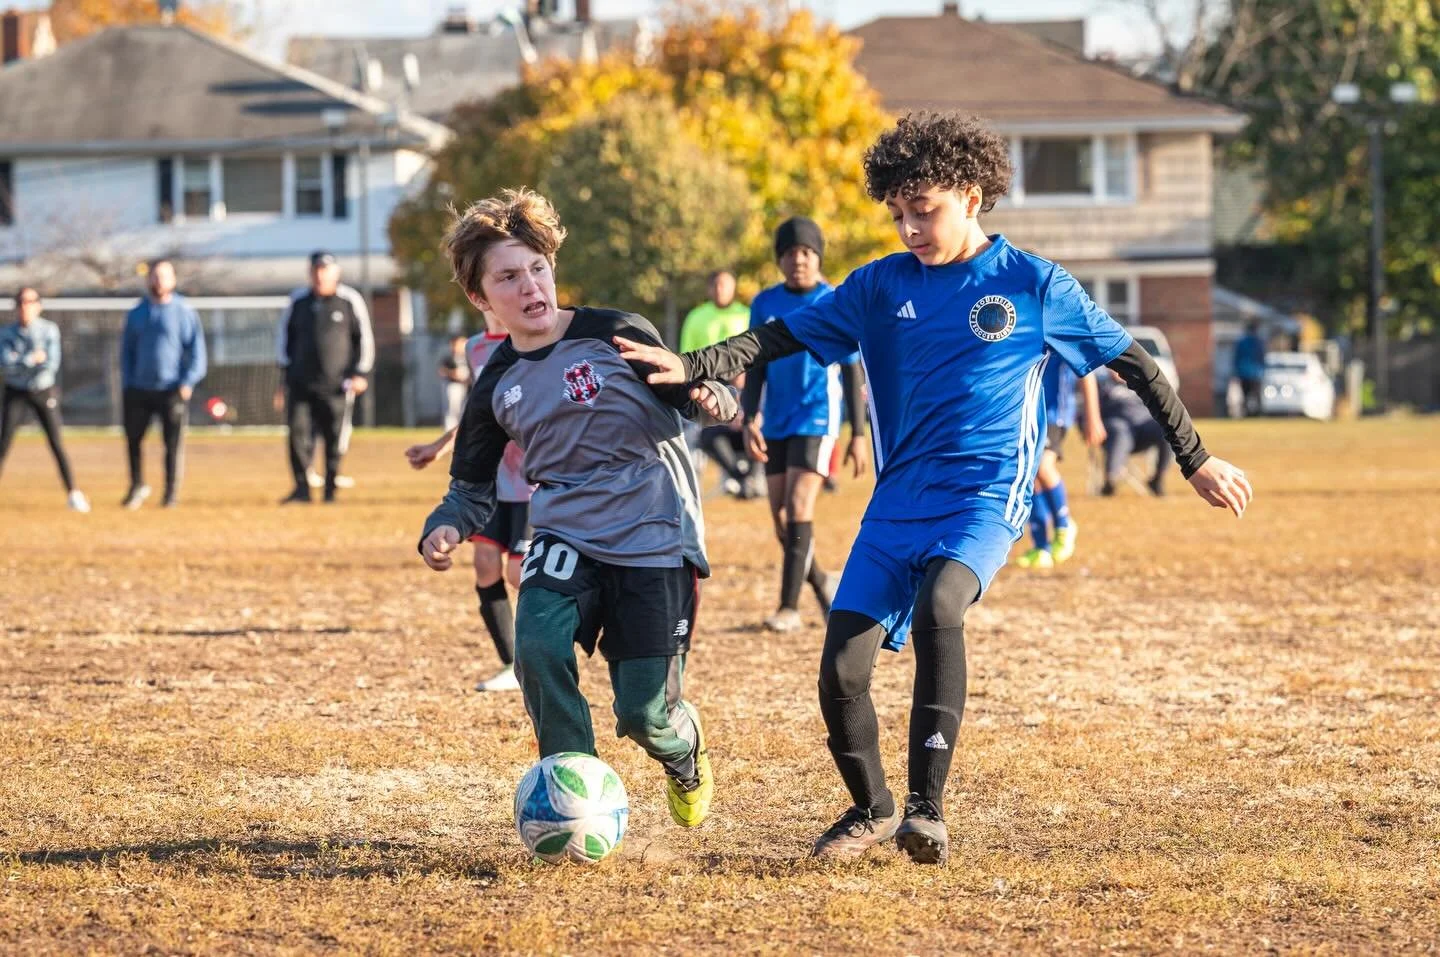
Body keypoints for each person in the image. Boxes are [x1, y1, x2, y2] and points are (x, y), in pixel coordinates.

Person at [617, 111, 1252, 864]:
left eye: (926, 210)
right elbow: (783, 335)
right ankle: (872, 806)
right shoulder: (880, 285)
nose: (912, 227)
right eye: (899, 213)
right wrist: (697, 364)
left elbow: (1134, 364)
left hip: (985, 496)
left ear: (973, 197)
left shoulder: (1034, 284)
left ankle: (927, 807)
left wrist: (1195, 457)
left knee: (940, 604)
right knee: (841, 668)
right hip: (896, 505)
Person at [417, 188, 738, 828]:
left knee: (643, 717)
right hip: (564, 529)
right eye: (508, 277)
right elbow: (471, 487)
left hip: (655, 533)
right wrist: (444, 525)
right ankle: (574, 794)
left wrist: (711, 397)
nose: (530, 286)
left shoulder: (615, 333)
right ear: (481, 298)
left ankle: (684, 751)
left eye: (537, 267)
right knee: (535, 648)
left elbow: (697, 394)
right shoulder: (495, 386)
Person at [741, 217, 868, 632]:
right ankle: (821, 584)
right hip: (775, 418)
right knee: (781, 520)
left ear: (818, 258)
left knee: (798, 508)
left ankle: (788, 608)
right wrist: (749, 415)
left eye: (807, 252)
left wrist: (859, 435)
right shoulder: (764, 303)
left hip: (818, 415)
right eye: (791, 252)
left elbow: (851, 371)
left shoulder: (832, 300)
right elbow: (754, 361)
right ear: (780, 259)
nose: (799, 260)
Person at [406, 316, 536, 693]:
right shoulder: (475, 346)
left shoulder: (531, 339)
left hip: (531, 480)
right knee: (484, 567)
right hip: (492, 478)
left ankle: (547, 651)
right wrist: (439, 446)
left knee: (519, 573)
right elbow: (477, 414)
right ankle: (513, 664)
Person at [277, 251, 374, 504]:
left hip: (337, 385)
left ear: (336, 273)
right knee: (298, 437)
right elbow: (284, 341)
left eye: (325, 270)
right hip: (300, 383)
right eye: (316, 270)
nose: (320, 275)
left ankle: (331, 489)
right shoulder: (298, 302)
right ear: (310, 273)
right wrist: (284, 376)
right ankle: (301, 489)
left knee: (334, 438)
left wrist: (359, 373)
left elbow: (363, 339)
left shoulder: (349, 300)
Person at [120, 258, 207, 509]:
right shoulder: (137, 313)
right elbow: (126, 351)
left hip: (171, 389)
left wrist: (187, 381)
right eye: (154, 276)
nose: (158, 281)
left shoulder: (184, 312)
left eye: (164, 276)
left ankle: (170, 493)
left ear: (173, 280)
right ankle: (137, 486)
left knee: (172, 444)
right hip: (138, 388)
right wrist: (128, 381)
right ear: (148, 280)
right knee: (134, 440)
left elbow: (197, 351)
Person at [0, 287, 89, 511]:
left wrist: (20, 360)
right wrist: (31, 359)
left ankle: (73, 493)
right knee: (3, 443)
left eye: (30, 301)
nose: (25, 306)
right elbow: (5, 365)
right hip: (15, 391)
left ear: (38, 305)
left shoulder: (49, 330)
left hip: (42, 390)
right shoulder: (6, 333)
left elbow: (51, 364)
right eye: (21, 302)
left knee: (56, 442)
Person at [1014, 363, 1104, 569]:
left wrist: (1092, 416)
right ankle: (1040, 547)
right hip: (1027, 413)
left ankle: (1064, 525)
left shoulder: (1060, 332)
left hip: (1055, 414)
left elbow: (1086, 372)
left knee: (1043, 466)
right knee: (1029, 475)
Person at [681, 269, 758, 498]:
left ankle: (751, 479)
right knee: (709, 435)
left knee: (755, 428)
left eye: (725, 284)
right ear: (709, 288)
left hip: (746, 385)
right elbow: (687, 358)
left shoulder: (747, 315)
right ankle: (739, 476)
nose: (720, 289)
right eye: (716, 285)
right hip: (709, 387)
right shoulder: (696, 317)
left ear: (734, 287)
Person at [1097, 369, 1175, 496]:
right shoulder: (1101, 384)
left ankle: (1157, 479)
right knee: (1119, 430)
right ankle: (1110, 481)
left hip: (1142, 429)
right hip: (1113, 429)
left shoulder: (1139, 383)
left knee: (1166, 428)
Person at [1233, 320, 1267, 417]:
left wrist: (1236, 371)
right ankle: (1258, 413)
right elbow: (1262, 357)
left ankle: (1246, 414)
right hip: (1256, 373)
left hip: (1243, 372)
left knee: (1245, 395)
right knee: (1256, 395)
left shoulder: (1241, 341)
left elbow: (1236, 358)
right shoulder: (1259, 341)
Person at [439, 333, 471, 431]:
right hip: (454, 386)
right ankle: (450, 430)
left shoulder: (468, 358)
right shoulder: (449, 359)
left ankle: (462, 430)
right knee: (453, 410)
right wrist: (455, 374)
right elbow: (442, 371)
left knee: (464, 410)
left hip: (468, 387)